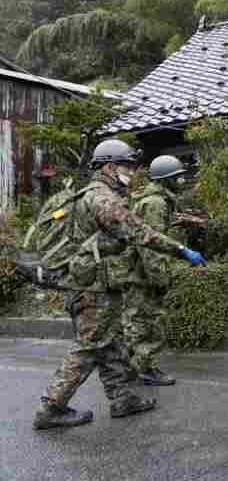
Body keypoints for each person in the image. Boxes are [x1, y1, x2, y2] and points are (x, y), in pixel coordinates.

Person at [34, 139, 207, 431]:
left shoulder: (85, 194)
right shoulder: (103, 198)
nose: (132, 171)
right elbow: (140, 232)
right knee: (89, 347)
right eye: (127, 165)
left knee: (110, 345)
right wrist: (181, 250)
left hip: (95, 282)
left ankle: (122, 399)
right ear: (110, 167)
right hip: (93, 287)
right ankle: (51, 407)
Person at [122, 155, 188, 387]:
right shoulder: (156, 204)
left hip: (135, 270)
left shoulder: (151, 199)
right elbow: (151, 244)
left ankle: (128, 368)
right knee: (151, 322)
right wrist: (161, 278)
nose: (182, 180)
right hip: (145, 273)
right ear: (166, 179)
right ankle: (145, 369)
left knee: (135, 320)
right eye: (177, 177)